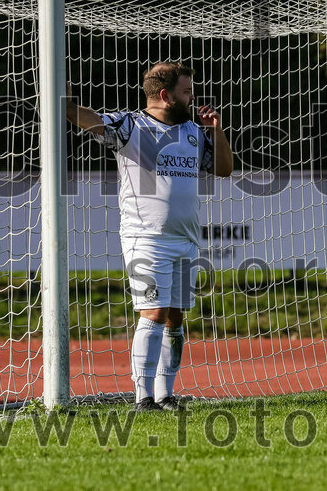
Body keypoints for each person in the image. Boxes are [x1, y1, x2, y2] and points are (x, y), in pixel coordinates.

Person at [66, 62, 234, 411]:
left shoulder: (193, 130)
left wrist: (216, 130)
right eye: (186, 92)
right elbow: (86, 118)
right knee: (154, 312)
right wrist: (65, 101)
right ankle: (143, 397)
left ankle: (165, 394)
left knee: (175, 317)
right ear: (166, 95)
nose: (192, 98)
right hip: (146, 238)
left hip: (186, 240)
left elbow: (223, 169)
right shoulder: (130, 126)